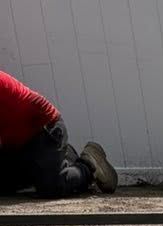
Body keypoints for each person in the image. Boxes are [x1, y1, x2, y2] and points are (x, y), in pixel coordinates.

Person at [0, 70, 117, 198]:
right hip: (18, 143)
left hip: (45, 130)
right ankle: (65, 157)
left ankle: (88, 166)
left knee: (51, 187)